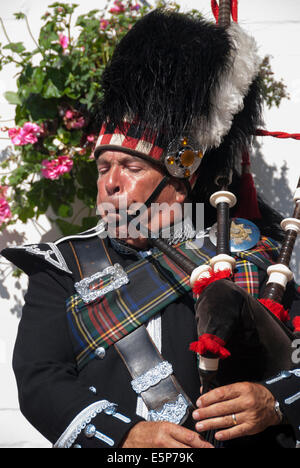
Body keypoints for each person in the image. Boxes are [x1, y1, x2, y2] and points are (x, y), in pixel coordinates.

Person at [1, 8, 300, 449]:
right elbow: (40, 377)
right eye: (104, 167)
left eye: (130, 165)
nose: (110, 181)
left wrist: (272, 401)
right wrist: (124, 436)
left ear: (179, 185)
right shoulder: (62, 265)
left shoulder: (248, 254)